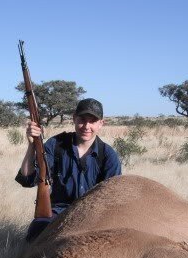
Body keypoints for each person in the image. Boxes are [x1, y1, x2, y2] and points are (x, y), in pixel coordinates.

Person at [15, 98, 122, 241]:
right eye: (82, 119)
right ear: (74, 119)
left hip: (93, 216)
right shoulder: (55, 145)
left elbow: (113, 199)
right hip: (58, 214)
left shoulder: (109, 156)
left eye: (92, 121)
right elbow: (27, 179)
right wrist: (32, 146)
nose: (86, 126)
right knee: (36, 232)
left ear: (101, 123)